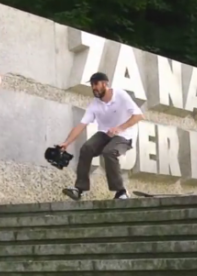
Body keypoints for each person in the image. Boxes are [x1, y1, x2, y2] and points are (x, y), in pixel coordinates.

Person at [57, 72, 144, 200]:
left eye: (96, 84)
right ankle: (79, 189)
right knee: (86, 148)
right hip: (105, 134)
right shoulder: (94, 104)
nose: (93, 88)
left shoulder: (120, 95)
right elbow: (81, 125)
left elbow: (139, 116)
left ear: (105, 83)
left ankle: (121, 192)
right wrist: (66, 143)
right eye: (92, 85)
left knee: (109, 152)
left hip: (125, 135)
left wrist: (119, 128)